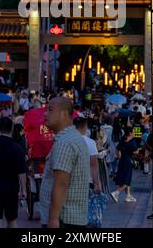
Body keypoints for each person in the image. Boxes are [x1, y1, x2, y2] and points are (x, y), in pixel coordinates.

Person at [39, 97, 90, 228]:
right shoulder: (72, 137)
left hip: (64, 219)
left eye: (50, 110)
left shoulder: (65, 142)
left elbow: (61, 183)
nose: (45, 114)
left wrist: (53, 219)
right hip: (72, 217)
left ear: (64, 115)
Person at [0, 117, 27, 228]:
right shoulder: (17, 148)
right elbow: (22, 171)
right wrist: (24, 190)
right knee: (12, 220)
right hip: (11, 188)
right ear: (12, 128)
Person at [74, 117, 101, 192]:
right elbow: (94, 165)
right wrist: (97, 184)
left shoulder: (67, 141)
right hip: (86, 181)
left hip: (70, 181)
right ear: (86, 127)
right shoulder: (90, 142)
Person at [111, 127, 138, 203]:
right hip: (128, 161)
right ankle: (116, 192)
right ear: (130, 133)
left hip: (122, 161)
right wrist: (138, 150)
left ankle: (128, 196)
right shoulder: (132, 141)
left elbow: (117, 150)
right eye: (133, 132)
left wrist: (120, 156)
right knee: (127, 180)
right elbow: (135, 152)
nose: (134, 133)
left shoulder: (123, 140)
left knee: (124, 177)